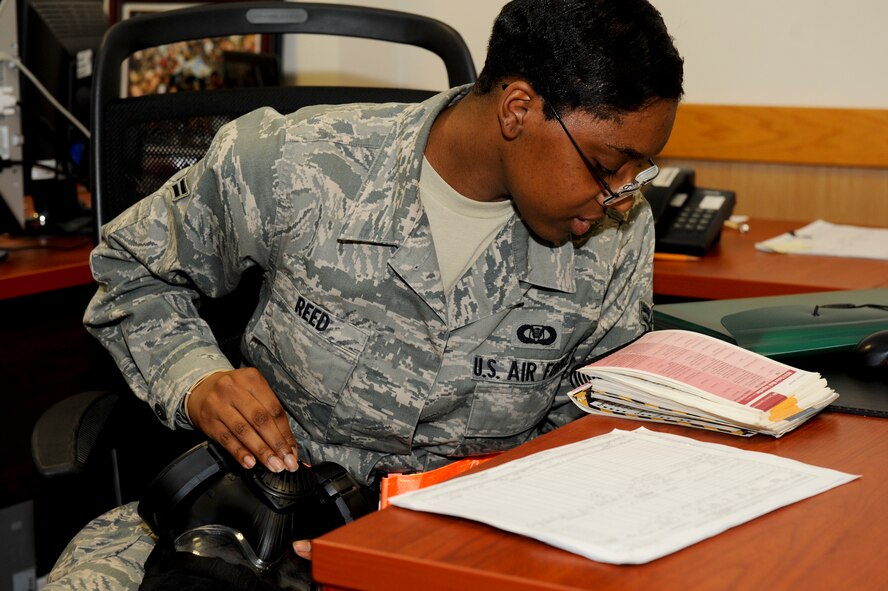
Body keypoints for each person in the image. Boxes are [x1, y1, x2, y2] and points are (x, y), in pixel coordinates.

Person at [44, 0, 683, 588]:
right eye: (605, 167)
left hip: (462, 548)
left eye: (639, 170)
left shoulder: (615, 238)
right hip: (252, 520)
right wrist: (197, 379)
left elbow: (595, 429)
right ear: (518, 109)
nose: (621, 195)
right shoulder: (295, 164)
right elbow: (131, 268)